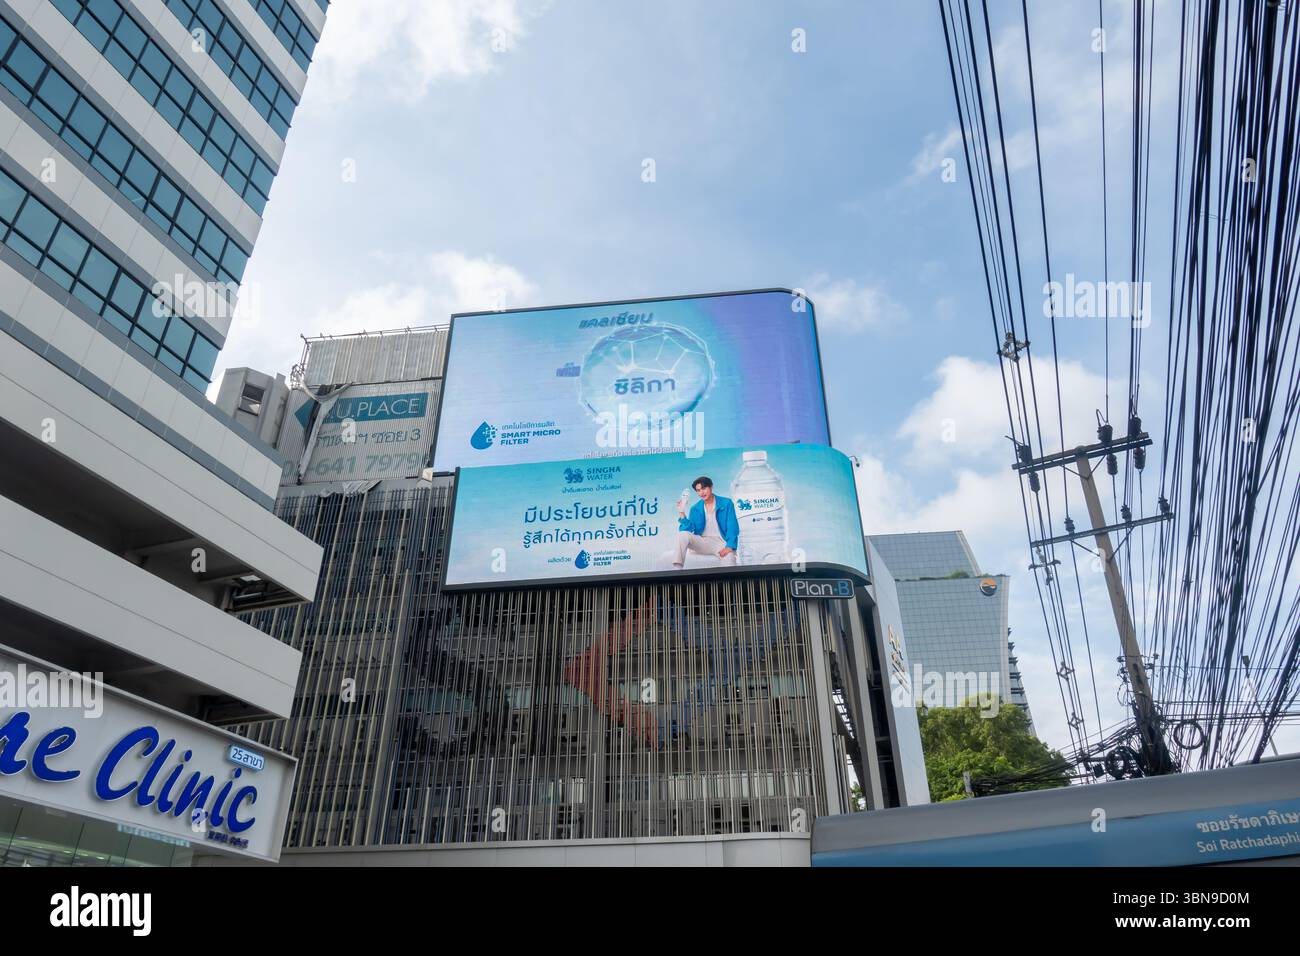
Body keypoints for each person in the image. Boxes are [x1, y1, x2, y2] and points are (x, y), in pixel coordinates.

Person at [670, 475, 738, 568]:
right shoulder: (695, 508)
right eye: (698, 490)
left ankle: (731, 582)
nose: (701, 492)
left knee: (729, 558)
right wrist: (681, 511)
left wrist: (730, 546)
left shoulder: (726, 503)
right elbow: (688, 530)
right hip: (703, 542)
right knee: (683, 534)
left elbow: (732, 526)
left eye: (704, 488)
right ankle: (677, 569)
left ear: (711, 487)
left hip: (721, 542)